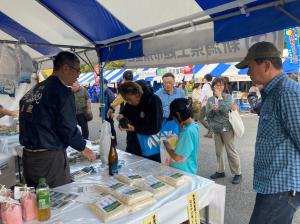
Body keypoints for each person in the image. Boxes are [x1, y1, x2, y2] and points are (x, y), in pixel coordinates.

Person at [236, 41, 300, 223]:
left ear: (266, 65)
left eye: (250, 67)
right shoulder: (273, 93)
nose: (247, 73)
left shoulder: (287, 93)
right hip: (273, 186)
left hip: (281, 187)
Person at [19, 51, 96, 188]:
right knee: (56, 199)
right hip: (49, 160)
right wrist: (83, 147)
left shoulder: (33, 91)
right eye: (77, 70)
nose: (78, 75)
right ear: (65, 68)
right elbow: (67, 127)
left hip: (28, 157)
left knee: (36, 201)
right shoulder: (62, 92)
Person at [206, 77, 242, 184]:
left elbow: (226, 109)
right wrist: (211, 110)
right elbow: (207, 115)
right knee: (218, 152)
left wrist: (220, 98)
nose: (219, 87)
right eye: (217, 85)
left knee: (231, 151)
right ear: (213, 86)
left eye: (221, 85)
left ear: (224, 86)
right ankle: (220, 171)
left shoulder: (227, 97)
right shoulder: (210, 100)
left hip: (227, 128)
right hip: (216, 129)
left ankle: (238, 173)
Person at [118, 81, 163, 162]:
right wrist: (121, 119)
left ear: (137, 94)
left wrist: (134, 128)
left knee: (150, 171)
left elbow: (155, 128)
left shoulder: (153, 100)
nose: (128, 102)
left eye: (129, 99)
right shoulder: (129, 103)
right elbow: (123, 113)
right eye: (126, 100)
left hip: (150, 148)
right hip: (133, 146)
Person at [163, 98, 199, 174]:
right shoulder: (194, 126)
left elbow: (178, 158)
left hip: (182, 172)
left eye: (174, 118)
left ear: (178, 115)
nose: (175, 121)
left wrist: (167, 147)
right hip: (190, 168)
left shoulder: (186, 132)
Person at [199, 74, 213, 138]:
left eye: (204, 78)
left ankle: (210, 129)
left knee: (201, 118)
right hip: (211, 103)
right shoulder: (211, 85)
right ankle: (209, 133)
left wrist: (200, 102)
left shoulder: (206, 85)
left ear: (206, 78)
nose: (203, 79)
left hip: (205, 104)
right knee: (209, 118)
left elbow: (203, 95)